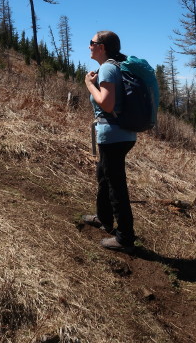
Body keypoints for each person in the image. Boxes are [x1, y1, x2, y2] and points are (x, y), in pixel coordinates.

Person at [83, 30, 137, 253]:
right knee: (104, 176)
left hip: (113, 136)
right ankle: (104, 219)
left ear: (102, 47)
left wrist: (89, 84)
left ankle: (125, 237)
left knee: (116, 185)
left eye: (92, 42)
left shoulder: (107, 67)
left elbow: (106, 103)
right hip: (122, 133)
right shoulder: (115, 66)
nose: (89, 46)